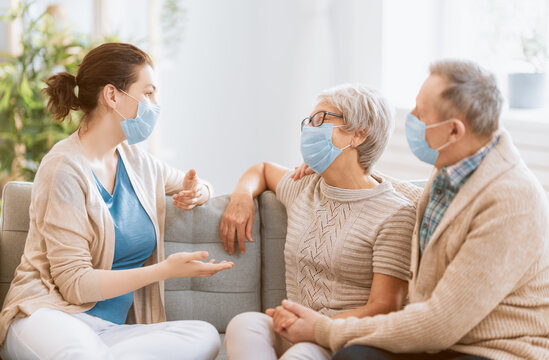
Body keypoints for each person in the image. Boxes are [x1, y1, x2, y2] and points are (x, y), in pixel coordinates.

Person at [274, 60, 549, 360]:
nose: (412, 119)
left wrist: (322, 329)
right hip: (441, 341)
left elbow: (440, 322)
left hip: (494, 349)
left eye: (421, 113)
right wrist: (340, 171)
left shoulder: (512, 202)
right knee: (355, 356)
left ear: (454, 131)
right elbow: (431, 208)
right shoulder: (454, 168)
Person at [0, 42, 234, 360]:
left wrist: (199, 191)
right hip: (50, 315)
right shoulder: (63, 168)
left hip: (108, 331)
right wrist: (164, 270)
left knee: (203, 336)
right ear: (112, 96)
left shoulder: (139, 163)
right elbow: (75, 285)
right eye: (147, 92)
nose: (154, 104)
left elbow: (198, 183)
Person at [220, 84, 422, 360]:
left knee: (301, 354)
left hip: (341, 336)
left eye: (321, 120)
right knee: (245, 324)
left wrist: (317, 327)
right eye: (309, 121)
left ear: (360, 133)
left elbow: (386, 305)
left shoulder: (395, 213)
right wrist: (241, 195)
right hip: (291, 326)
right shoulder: (305, 187)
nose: (309, 130)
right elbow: (263, 169)